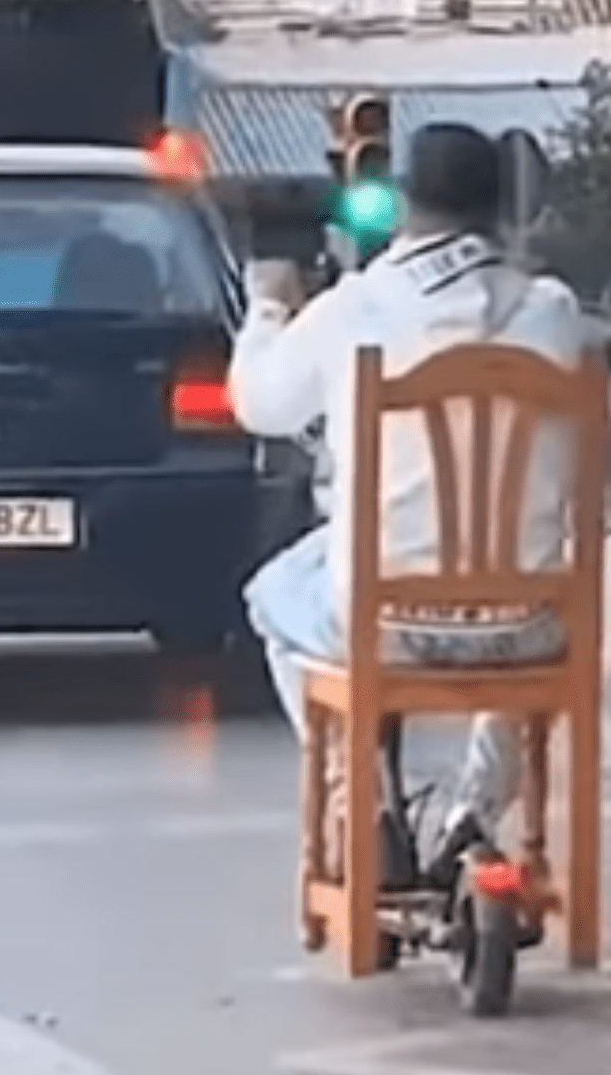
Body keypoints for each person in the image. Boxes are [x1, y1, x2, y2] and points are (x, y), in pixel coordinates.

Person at [230, 122, 589, 887]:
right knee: (524, 585)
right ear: (502, 204)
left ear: (398, 204)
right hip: (525, 625)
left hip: (388, 625)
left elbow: (261, 405)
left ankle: (362, 809)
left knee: (271, 597)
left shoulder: (355, 308)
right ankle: (476, 817)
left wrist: (268, 310)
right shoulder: (555, 312)